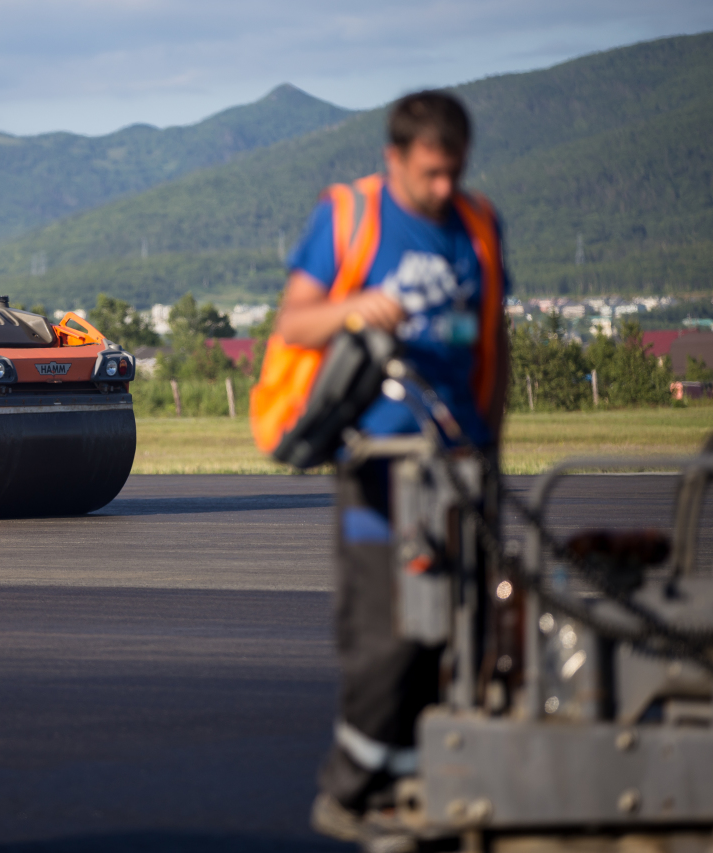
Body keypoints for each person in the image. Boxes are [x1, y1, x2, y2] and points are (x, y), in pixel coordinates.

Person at [272, 91, 509, 851]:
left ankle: (417, 787)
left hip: (461, 463)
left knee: (459, 636)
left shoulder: (477, 226)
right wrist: (357, 307)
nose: (444, 189)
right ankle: (348, 790)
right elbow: (293, 322)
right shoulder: (349, 219)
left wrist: (493, 449)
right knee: (389, 638)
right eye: (431, 174)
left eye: (455, 173)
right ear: (396, 159)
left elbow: (491, 344)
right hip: (381, 464)